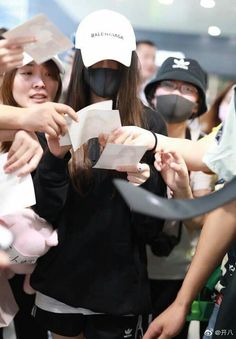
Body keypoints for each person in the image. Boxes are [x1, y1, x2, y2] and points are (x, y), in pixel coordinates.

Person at [29, 9, 167, 339]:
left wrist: (145, 184)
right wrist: (54, 158)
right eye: (97, 64)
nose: (106, 73)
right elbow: (42, 214)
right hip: (61, 284)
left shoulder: (149, 125)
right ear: (80, 63)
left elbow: (152, 228)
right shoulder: (56, 119)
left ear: (129, 66)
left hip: (119, 289)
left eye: (115, 66)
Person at [143, 56, 213, 338]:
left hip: (178, 275)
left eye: (187, 89)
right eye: (169, 85)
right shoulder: (135, 137)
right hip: (131, 268)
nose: (176, 94)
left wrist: (183, 189)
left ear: (198, 104)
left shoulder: (205, 150)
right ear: (152, 94)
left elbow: (201, 222)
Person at [0, 54, 66, 339]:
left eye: (49, 75)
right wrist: (17, 128)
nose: (41, 83)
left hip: (39, 276)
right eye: (27, 73)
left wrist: (54, 158)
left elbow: (57, 209)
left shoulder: (66, 135)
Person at [136, 40, 157, 104]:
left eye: (153, 58)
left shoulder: (153, 95)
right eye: (146, 56)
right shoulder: (117, 90)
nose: (151, 63)